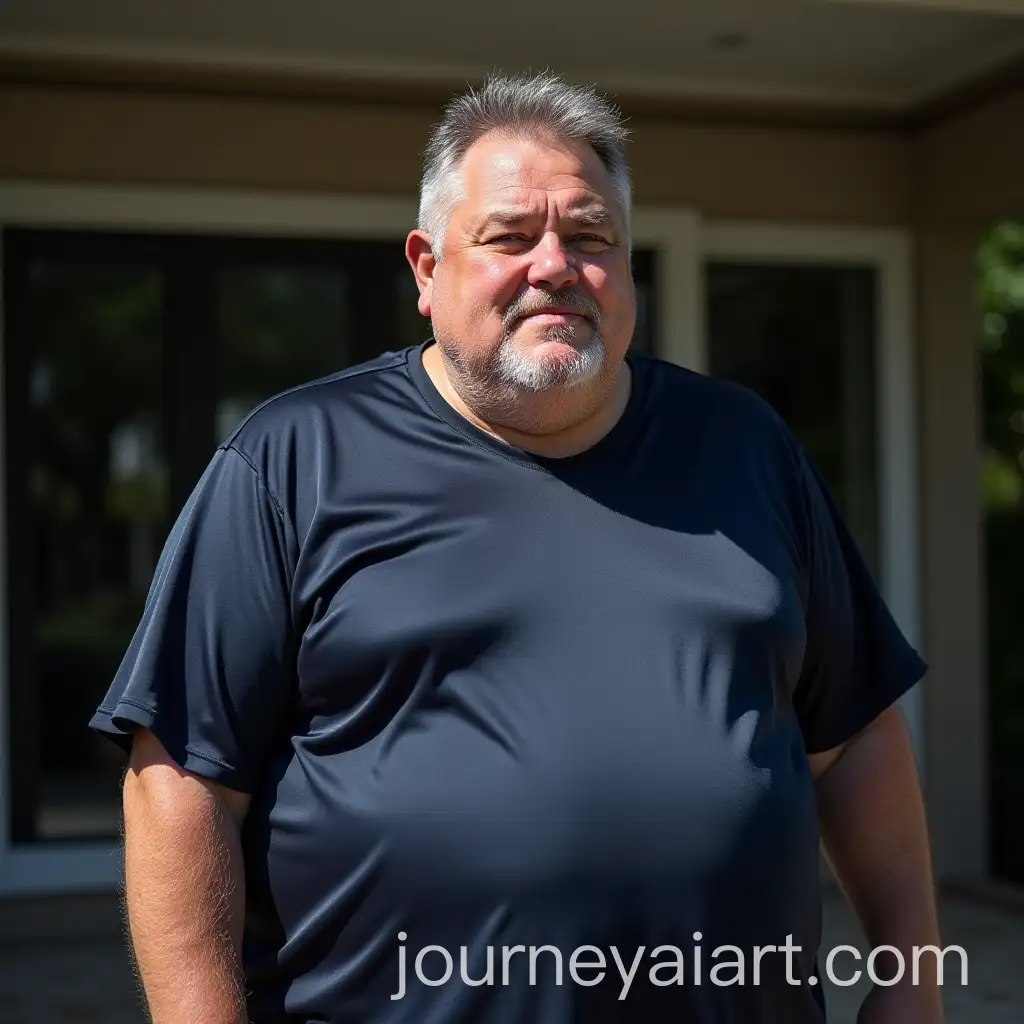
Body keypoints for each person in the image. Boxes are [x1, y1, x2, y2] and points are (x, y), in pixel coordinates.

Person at [90, 70, 946, 1023]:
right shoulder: (295, 463)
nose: (555, 266)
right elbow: (182, 781)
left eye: (591, 238)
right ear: (426, 269)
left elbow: (854, 734)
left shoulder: (745, 448)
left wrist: (911, 981)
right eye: (509, 237)